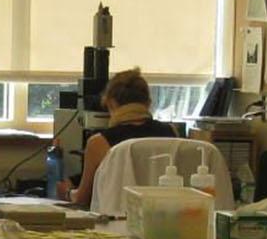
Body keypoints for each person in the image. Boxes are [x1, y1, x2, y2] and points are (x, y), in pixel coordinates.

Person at [57, 68, 181, 207]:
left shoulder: (98, 142)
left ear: (111, 103)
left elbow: (82, 199)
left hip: (114, 223)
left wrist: (67, 192)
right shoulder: (172, 132)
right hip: (165, 219)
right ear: (148, 103)